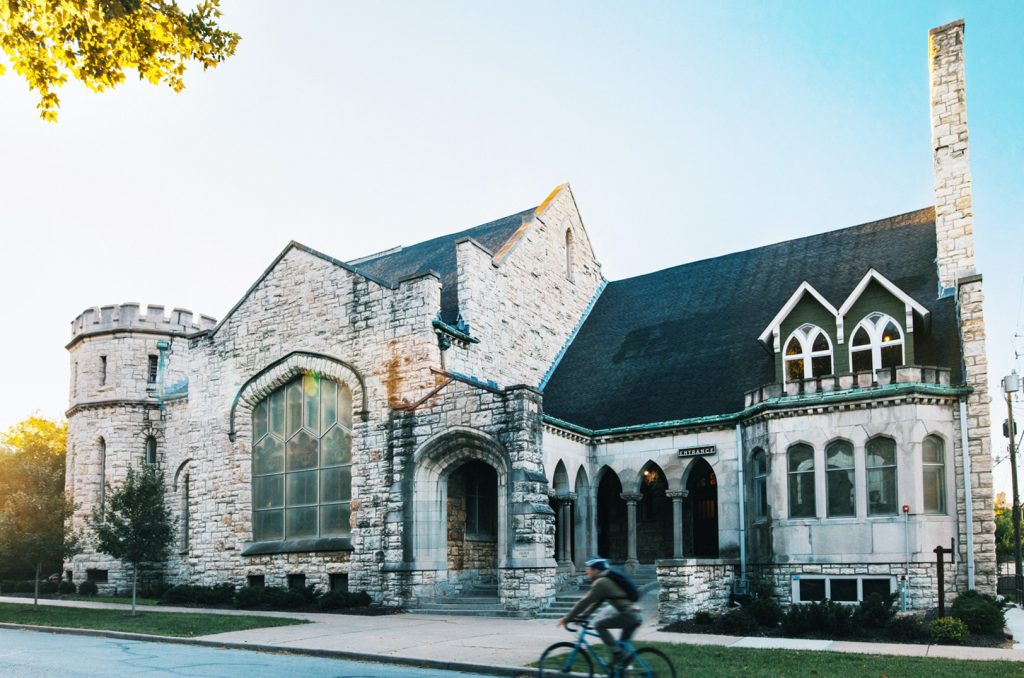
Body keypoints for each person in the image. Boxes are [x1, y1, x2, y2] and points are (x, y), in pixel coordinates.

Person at [556, 556, 642, 667]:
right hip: (633, 614)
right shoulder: (606, 581)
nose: (587, 571)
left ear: (596, 570)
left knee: (599, 625)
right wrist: (583, 617)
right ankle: (624, 670)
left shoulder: (601, 582)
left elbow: (585, 601)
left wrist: (567, 618)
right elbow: (596, 603)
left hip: (629, 615)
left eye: (589, 568)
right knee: (620, 655)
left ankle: (619, 656)